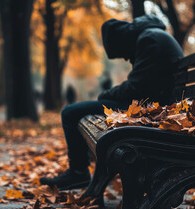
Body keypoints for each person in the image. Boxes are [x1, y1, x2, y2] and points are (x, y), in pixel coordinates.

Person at [39, 14, 184, 190]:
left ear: (121, 41)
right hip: (156, 106)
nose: (125, 58)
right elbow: (140, 86)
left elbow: (136, 88)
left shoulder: (149, 39)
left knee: (70, 112)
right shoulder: (153, 36)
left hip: (154, 110)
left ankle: (78, 173)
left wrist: (107, 94)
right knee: (82, 110)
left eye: (122, 53)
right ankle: (81, 173)